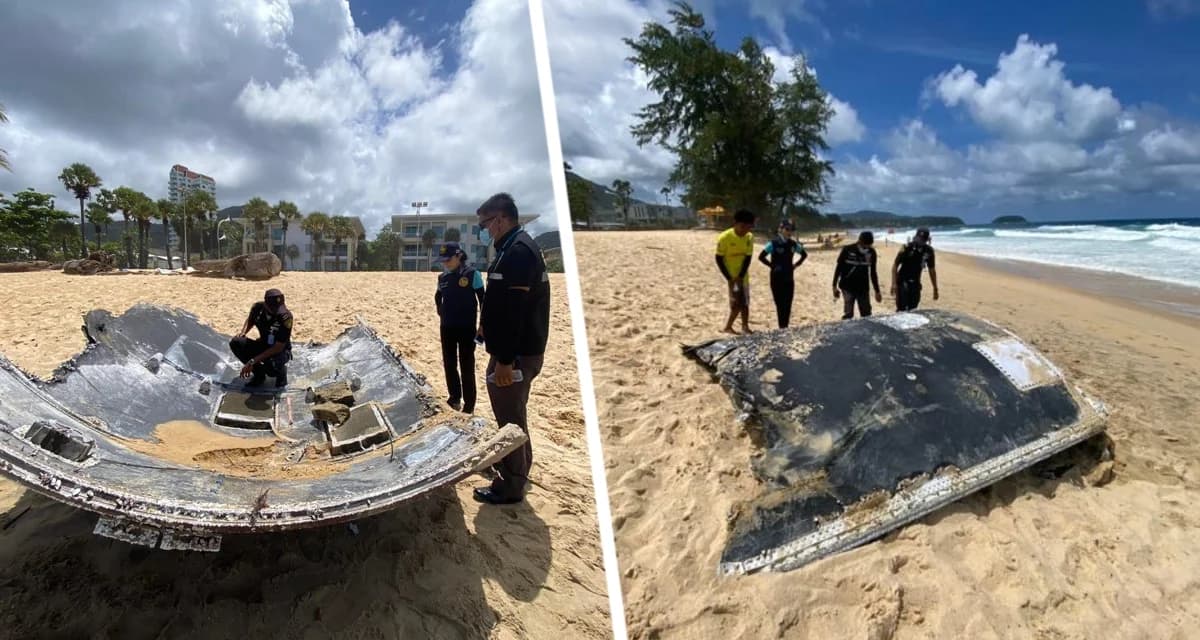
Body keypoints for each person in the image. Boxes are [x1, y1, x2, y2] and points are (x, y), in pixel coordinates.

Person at [472, 193, 551, 506]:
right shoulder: (510, 248)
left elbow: (516, 311)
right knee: (512, 413)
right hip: (511, 350)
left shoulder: (518, 252)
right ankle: (517, 468)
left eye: (485, 224)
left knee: (510, 420)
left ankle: (511, 484)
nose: (484, 230)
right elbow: (501, 300)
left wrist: (504, 361)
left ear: (500, 219)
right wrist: (485, 327)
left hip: (516, 354)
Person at [434, 241, 486, 413]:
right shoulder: (443, 278)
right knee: (449, 364)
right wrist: (441, 311)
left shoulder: (472, 274)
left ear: (458, 256)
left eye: (448, 259)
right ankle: (454, 398)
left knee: (466, 366)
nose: (445, 263)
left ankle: (469, 405)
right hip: (447, 327)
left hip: (466, 328)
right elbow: (438, 296)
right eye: (443, 260)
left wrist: (482, 326)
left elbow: (483, 301)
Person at [229, 288, 293, 388]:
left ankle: (281, 372)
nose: (276, 310)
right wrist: (243, 332)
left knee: (271, 366)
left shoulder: (286, 317)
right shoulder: (257, 308)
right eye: (273, 307)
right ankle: (259, 375)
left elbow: (279, 347)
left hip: (280, 351)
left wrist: (253, 361)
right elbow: (250, 319)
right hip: (264, 344)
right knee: (236, 342)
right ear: (266, 305)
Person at [758, 219, 808, 328]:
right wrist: (772, 266)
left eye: (791, 230)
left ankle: (785, 327)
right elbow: (761, 257)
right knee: (780, 304)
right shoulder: (773, 243)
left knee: (788, 304)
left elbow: (804, 254)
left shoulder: (793, 244)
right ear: (781, 230)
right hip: (776, 278)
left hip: (789, 278)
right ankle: (782, 327)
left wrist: (796, 265)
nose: (789, 232)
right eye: (787, 229)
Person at [716, 209, 756, 334]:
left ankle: (745, 326)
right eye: (743, 226)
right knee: (736, 303)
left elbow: (748, 258)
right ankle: (728, 327)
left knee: (745, 302)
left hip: (743, 277)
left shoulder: (749, 237)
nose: (745, 230)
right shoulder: (724, 237)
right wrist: (730, 278)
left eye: (748, 227)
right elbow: (719, 259)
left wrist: (741, 276)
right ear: (735, 223)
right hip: (731, 277)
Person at [833, 231, 882, 319]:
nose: (866, 247)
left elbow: (873, 273)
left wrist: (877, 291)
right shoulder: (847, 250)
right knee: (848, 314)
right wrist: (834, 286)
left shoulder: (871, 252)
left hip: (863, 288)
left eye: (869, 245)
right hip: (847, 286)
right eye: (864, 245)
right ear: (859, 241)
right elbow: (838, 269)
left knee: (866, 314)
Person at [892, 227, 939, 312]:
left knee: (913, 308)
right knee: (901, 309)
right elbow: (895, 265)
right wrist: (894, 284)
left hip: (916, 283)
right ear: (916, 236)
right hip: (903, 281)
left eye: (923, 240)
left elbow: (932, 270)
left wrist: (935, 288)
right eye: (919, 239)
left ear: (927, 240)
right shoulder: (906, 247)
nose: (921, 241)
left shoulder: (928, 251)